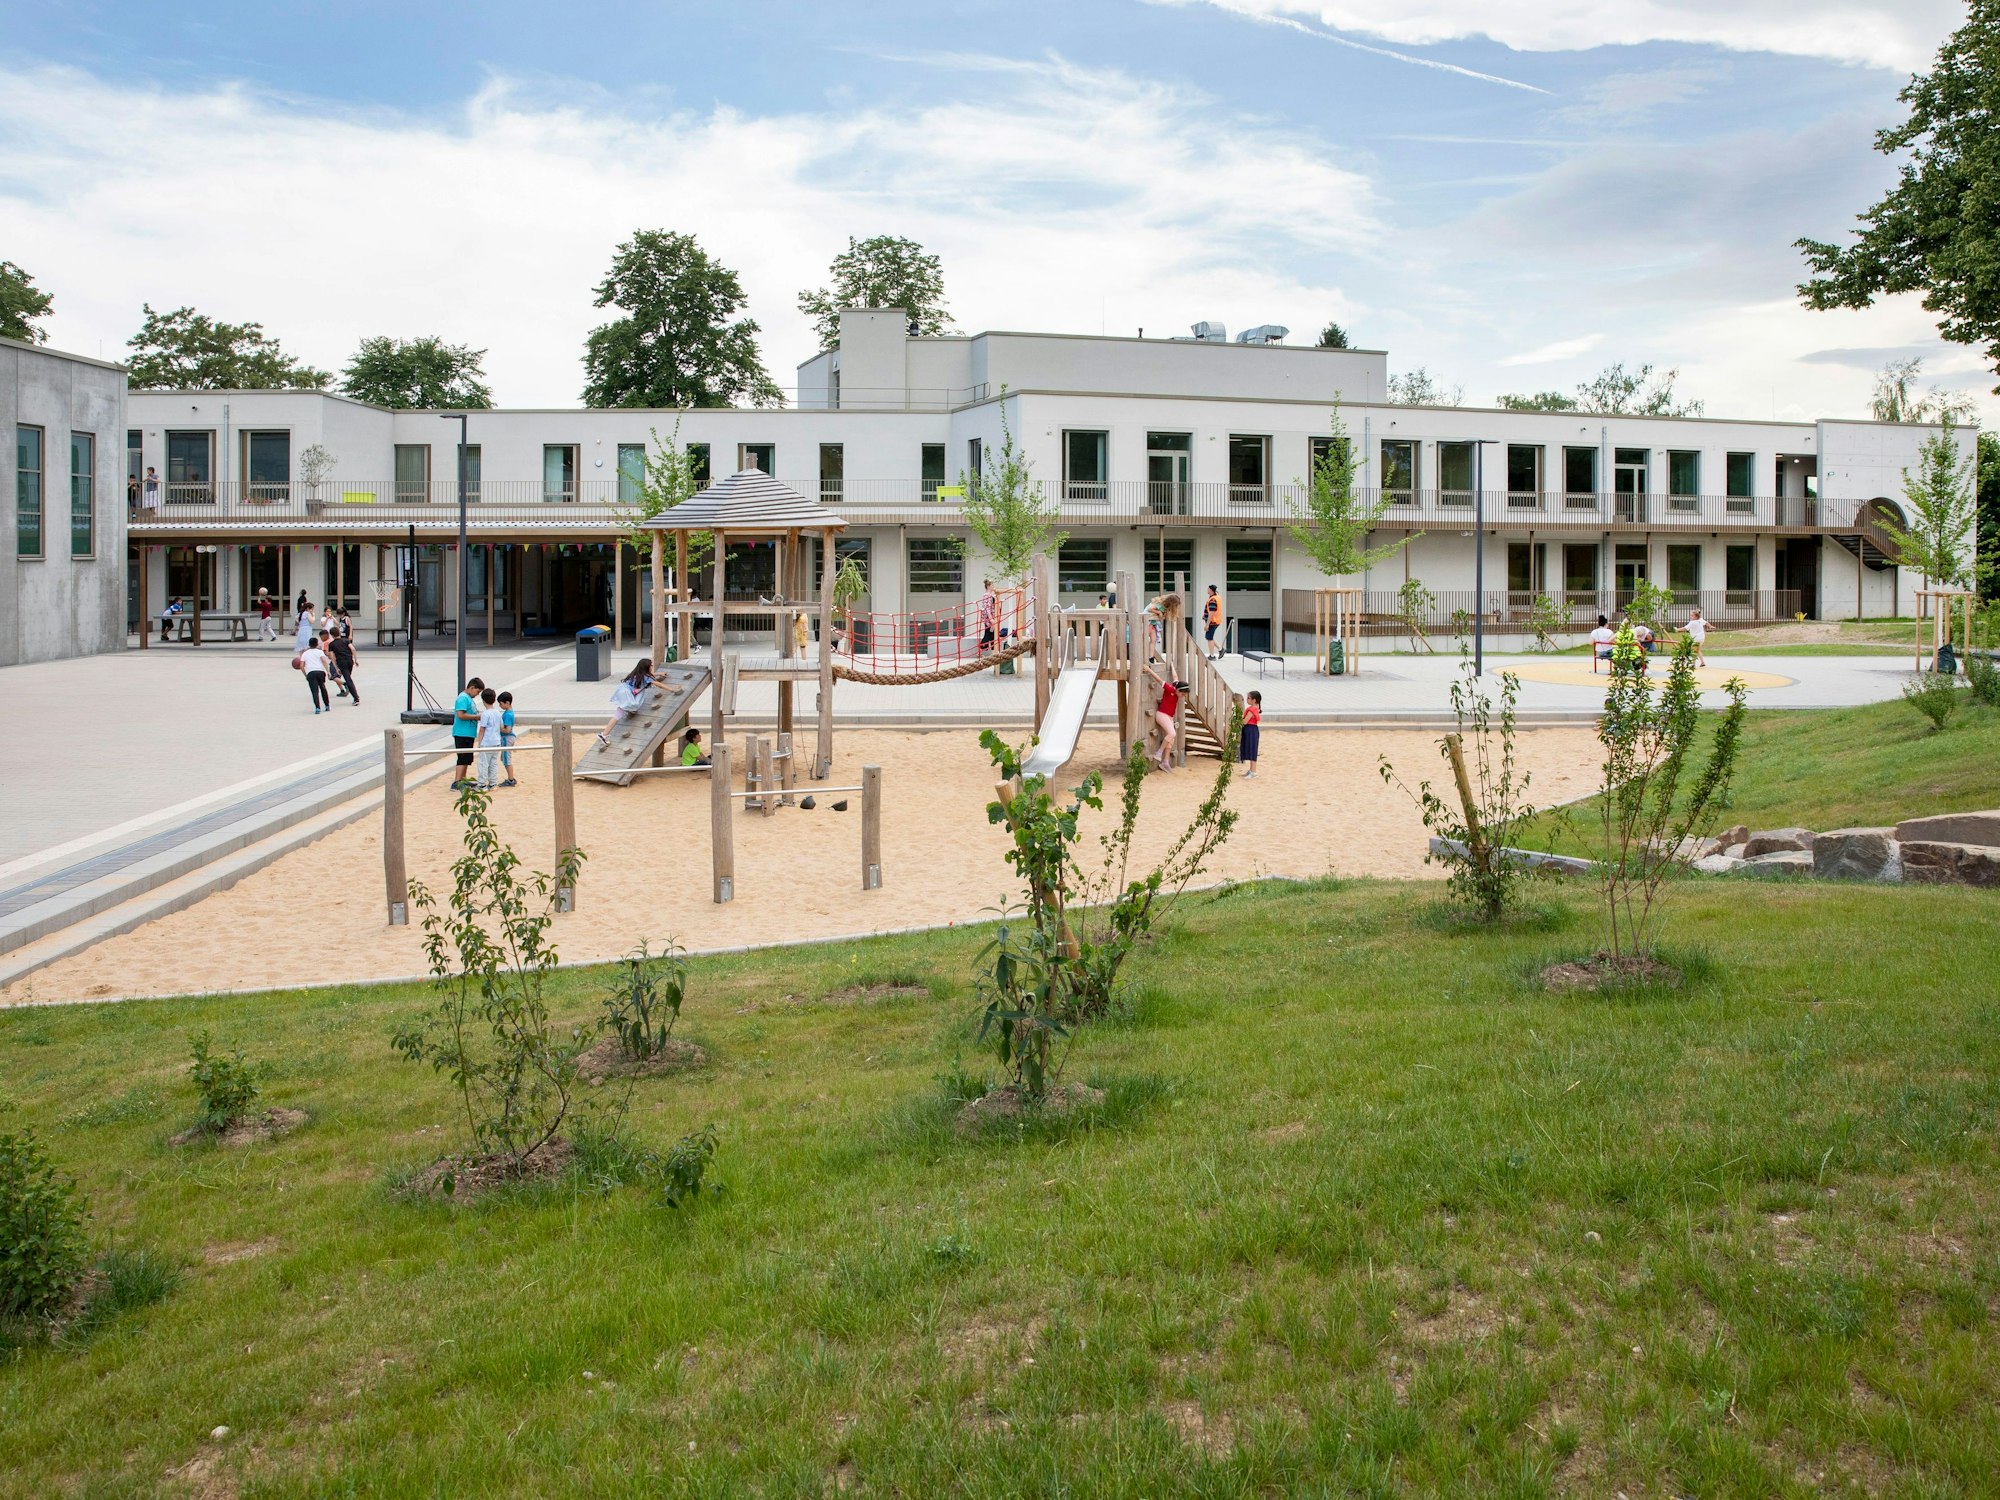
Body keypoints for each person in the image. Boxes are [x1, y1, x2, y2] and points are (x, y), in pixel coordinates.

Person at [597, 659, 657, 746]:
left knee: (618, 714)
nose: (652, 667)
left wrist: (660, 674)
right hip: (626, 695)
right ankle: (604, 735)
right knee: (618, 715)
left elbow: (649, 676)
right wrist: (672, 689)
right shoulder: (645, 677)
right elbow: (658, 683)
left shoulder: (637, 673)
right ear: (646, 667)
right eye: (651, 665)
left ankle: (604, 734)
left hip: (623, 691)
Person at [450, 676, 485, 790]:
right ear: (472, 687)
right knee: (462, 757)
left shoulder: (468, 699)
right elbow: (460, 715)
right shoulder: (462, 698)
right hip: (462, 732)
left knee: (466, 758)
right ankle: (457, 781)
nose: (477, 694)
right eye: (477, 691)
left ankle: (463, 780)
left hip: (468, 733)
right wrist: (476, 717)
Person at [474, 688, 505, 791]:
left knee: (483, 763)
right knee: (493, 763)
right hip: (496, 741)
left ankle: (482, 784)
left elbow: (482, 730)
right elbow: (501, 726)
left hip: (487, 742)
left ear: (483, 701)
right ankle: (493, 783)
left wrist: (479, 742)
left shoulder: (485, 714)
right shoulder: (497, 712)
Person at [1152, 678, 1180, 770]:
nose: (1183, 696)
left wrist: (1171, 665)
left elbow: (1175, 677)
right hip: (1162, 714)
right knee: (1172, 733)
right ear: (1178, 690)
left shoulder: (1176, 686)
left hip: (1169, 717)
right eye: (1182, 694)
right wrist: (1148, 670)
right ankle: (1159, 752)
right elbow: (1159, 679)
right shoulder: (1170, 688)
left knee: (1171, 739)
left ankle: (1165, 762)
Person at [327, 626, 359, 705]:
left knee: (348, 680)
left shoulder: (331, 644)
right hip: (349, 660)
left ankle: (356, 698)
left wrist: (336, 667)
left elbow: (332, 657)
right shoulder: (346, 640)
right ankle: (354, 694)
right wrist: (355, 659)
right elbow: (353, 649)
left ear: (331, 635)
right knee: (349, 678)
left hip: (341, 662)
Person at [300, 634, 331, 714]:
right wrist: (328, 671)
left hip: (311, 673)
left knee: (314, 691)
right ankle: (327, 705)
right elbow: (324, 661)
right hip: (320, 672)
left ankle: (317, 707)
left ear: (309, 644)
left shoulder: (305, 653)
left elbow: (301, 666)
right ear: (317, 644)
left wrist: (305, 674)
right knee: (323, 688)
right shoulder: (320, 652)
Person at [497, 691, 518, 787]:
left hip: (507, 738)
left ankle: (510, 779)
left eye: (501, 704)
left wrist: (499, 728)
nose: (500, 706)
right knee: (505, 758)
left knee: (507, 759)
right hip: (508, 738)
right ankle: (510, 778)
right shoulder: (509, 713)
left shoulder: (508, 715)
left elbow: (508, 730)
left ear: (507, 703)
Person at [1240, 689, 1261, 778]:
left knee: (1252, 749)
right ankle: (1251, 770)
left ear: (1254, 700)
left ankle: (1253, 771)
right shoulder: (1254, 708)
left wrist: (1238, 720)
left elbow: (1245, 721)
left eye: (1249, 698)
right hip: (1250, 729)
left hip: (1251, 730)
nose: (1247, 700)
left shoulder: (1252, 710)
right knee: (1249, 748)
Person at [976, 578, 998, 653]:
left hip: (992, 616)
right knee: (988, 633)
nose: (993, 586)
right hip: (989, 618)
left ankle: (992, 652)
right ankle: (980, 650)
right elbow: (987, 608)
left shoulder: (991, 595)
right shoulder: (986, 595)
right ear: (988, 586)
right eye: (992, 585)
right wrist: (991, 618)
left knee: (992, 634)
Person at [1202, 585, 1222, 660]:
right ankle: (1220, 649)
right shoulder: (1217, 597)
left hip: (1212, 621)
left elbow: (1211, 612)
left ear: (1210, 590)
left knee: (1209, 638)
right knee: (1210, 636)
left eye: (1208, 589)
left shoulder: (1212, 600)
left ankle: (1212, 656)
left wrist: (1207, 625)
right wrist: (1204, 615)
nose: (1207, 590)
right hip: (1216, 620)